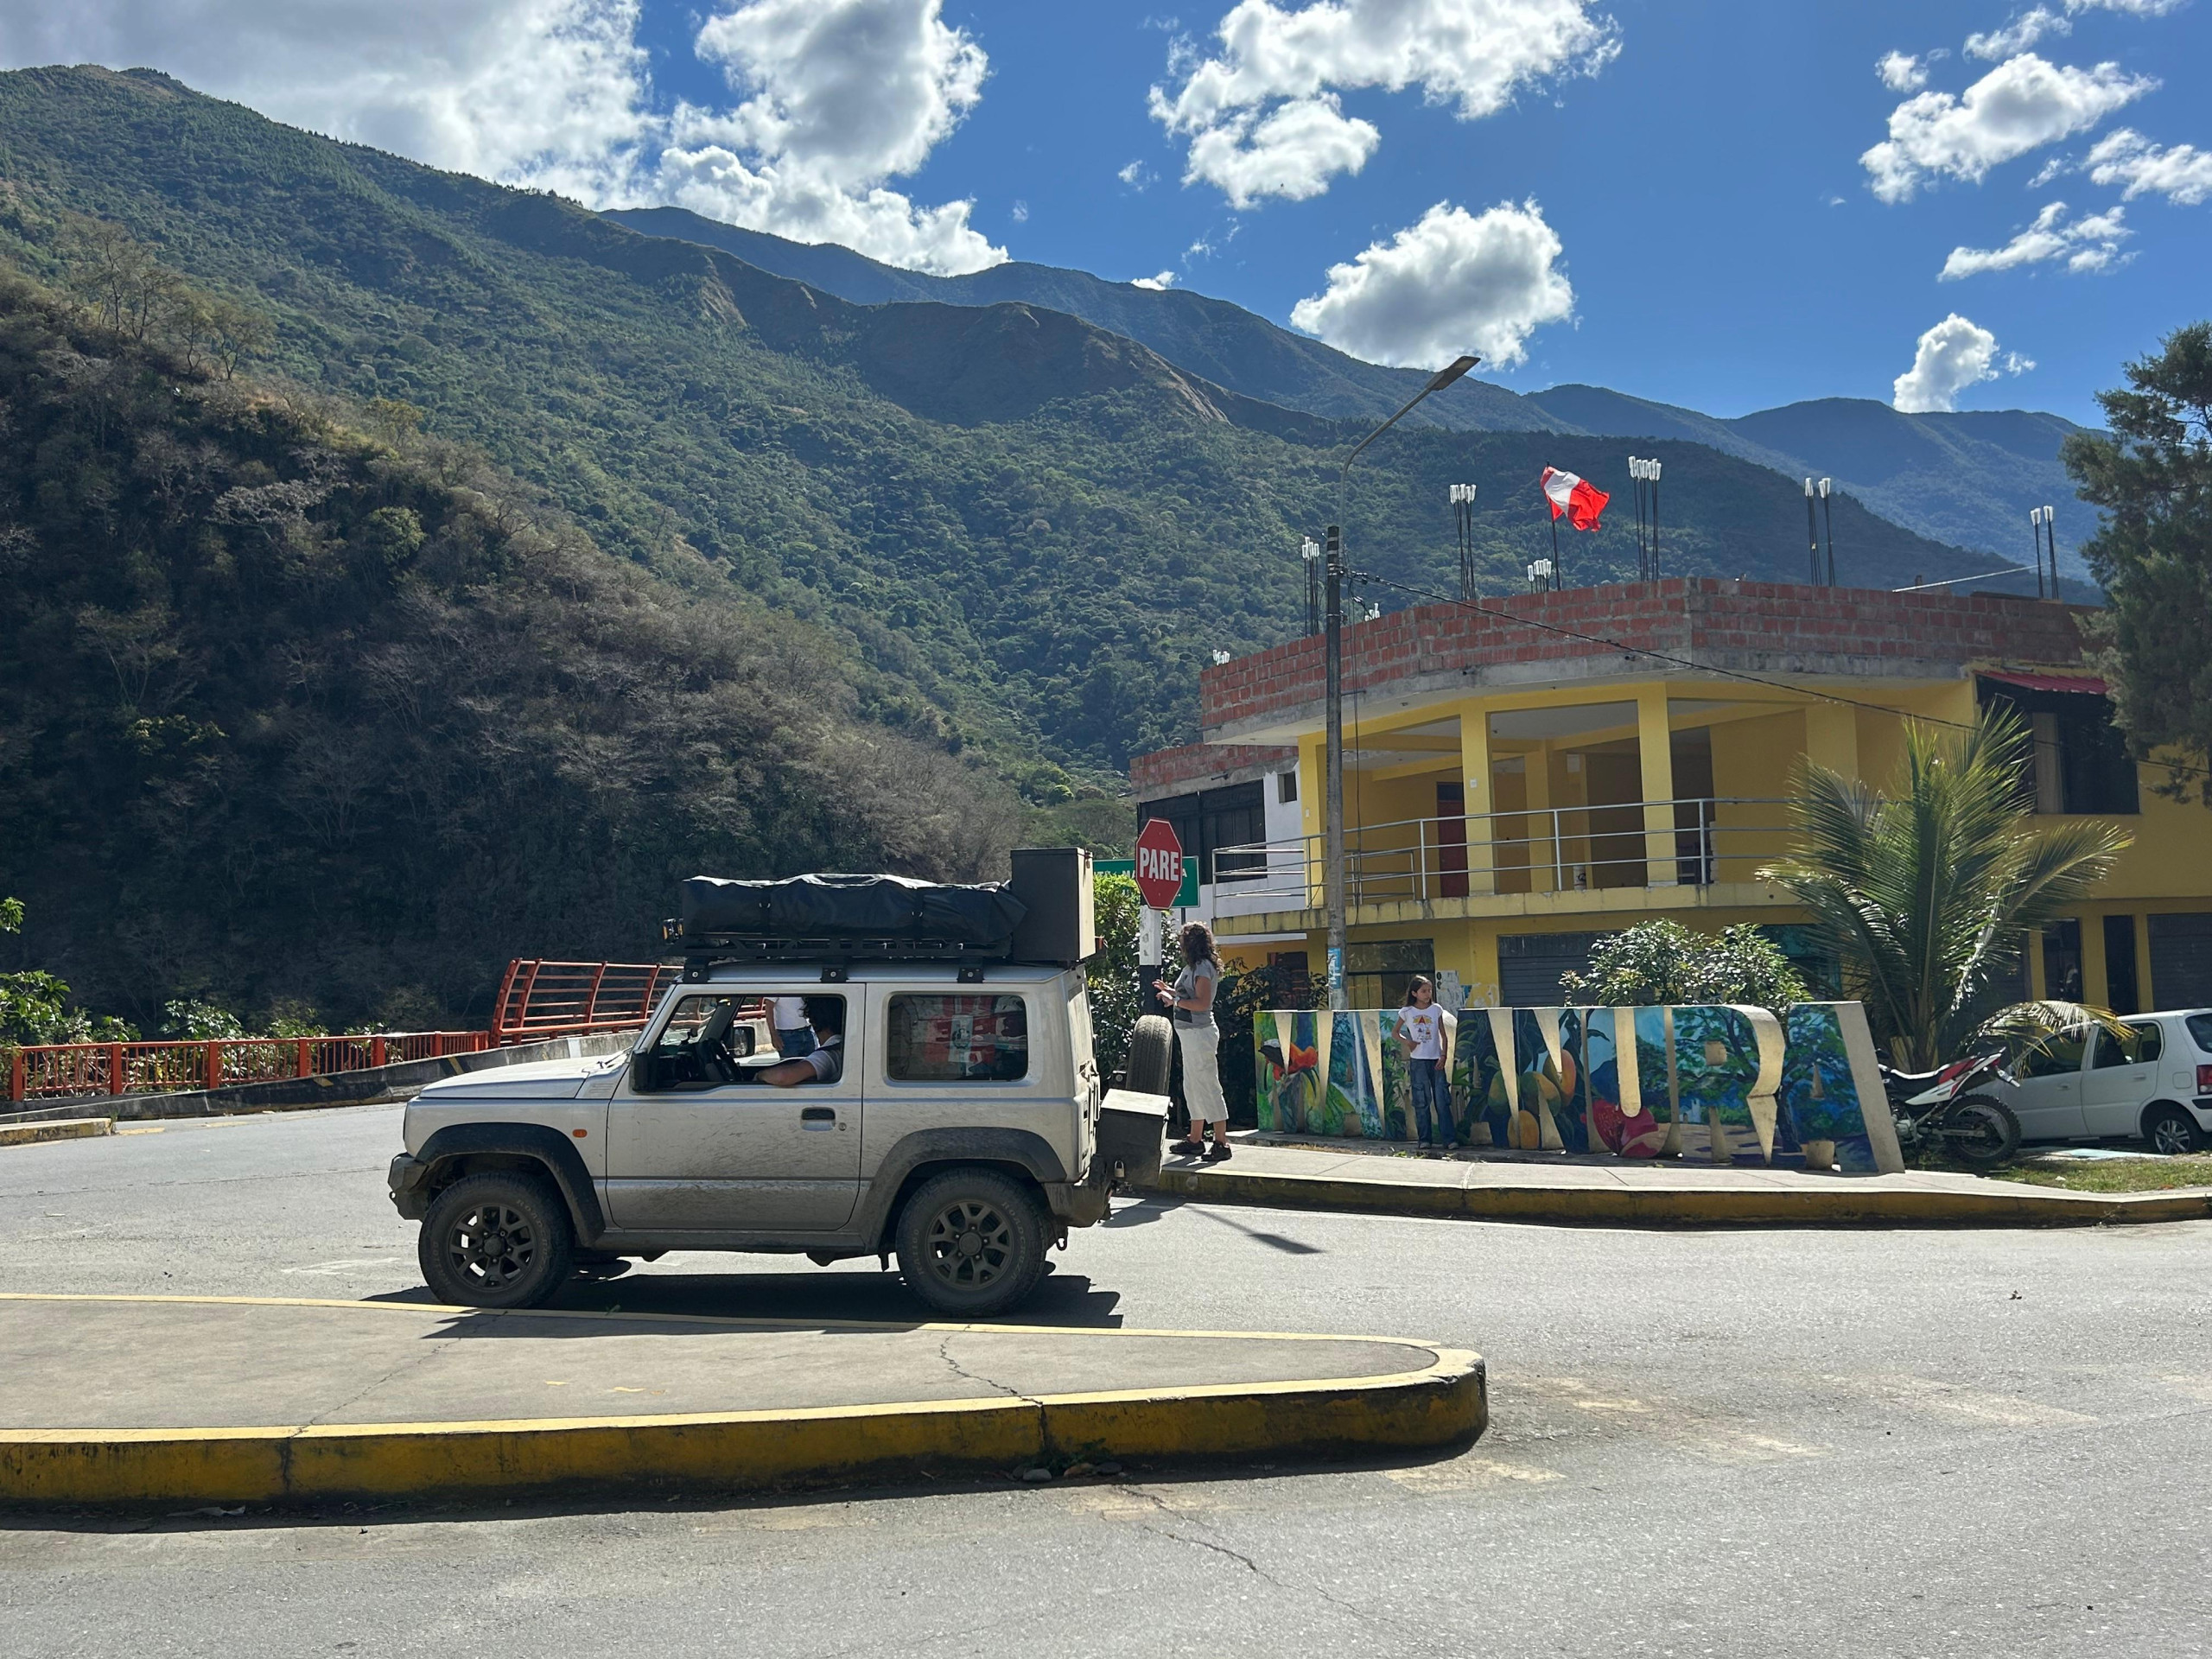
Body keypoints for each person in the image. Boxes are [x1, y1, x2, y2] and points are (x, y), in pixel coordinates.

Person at [1154, 922, 1230, 1161]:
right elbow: (1189, 995)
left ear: (1192, 943)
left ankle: (1221, 1143)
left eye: (1183, 941)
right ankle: (1195, 1139)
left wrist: (1173, 1001)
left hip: (1200, 1034)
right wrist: (1170, 990)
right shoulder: (1194, 967)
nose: (1180, 945)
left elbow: (1202, 1004)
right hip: (1190, 1034)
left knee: (1208, 1085)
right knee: (1193, 1087)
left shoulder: (1203, 968)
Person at [1394, 975, 1457, 1152]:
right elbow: (1395, 1032)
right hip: (1418, 1061)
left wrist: (1443, 1056)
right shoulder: (1407, 1012)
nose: (1428, 994)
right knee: (1421, 1101)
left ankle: (1449, 1139)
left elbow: (1443, 1035)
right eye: (1424, 991)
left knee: (1442, 1101)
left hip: (1436, 1060)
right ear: (1414, 993)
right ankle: (1424, 1139)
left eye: (1429, 990)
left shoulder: (1436, 1009)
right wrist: (1409, 1043)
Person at [762, 995, 845, 1087]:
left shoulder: (830, 1054)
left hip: (806, 1030)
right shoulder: (843, 1046)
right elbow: (769, 1007)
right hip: (788, 1034)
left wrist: (759, 1076)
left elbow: (783, 1077)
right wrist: (774, 1035)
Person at [767, 994, 814, 1060]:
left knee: (812, 1065)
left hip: (808, 1031)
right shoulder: (776, 984)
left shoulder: (804, 984)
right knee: (790, 1066)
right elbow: (769, 1008)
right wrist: (773, 1035)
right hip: (787, 1036)